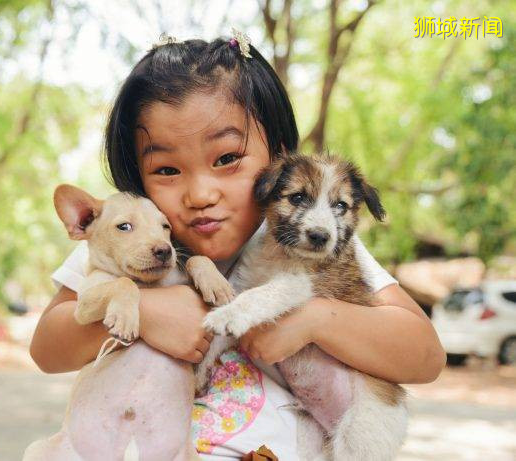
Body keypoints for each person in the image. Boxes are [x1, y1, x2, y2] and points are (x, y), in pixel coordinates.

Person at [29, 31, 446, 460]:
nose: (200, 193)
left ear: (281, 160)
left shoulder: (309, 245)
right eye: (167, 168)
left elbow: (425, 355)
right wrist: (147, 309)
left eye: (227, 159)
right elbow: (46, 348)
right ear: (138, 175)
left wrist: (315, 318)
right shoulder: (127, 240)